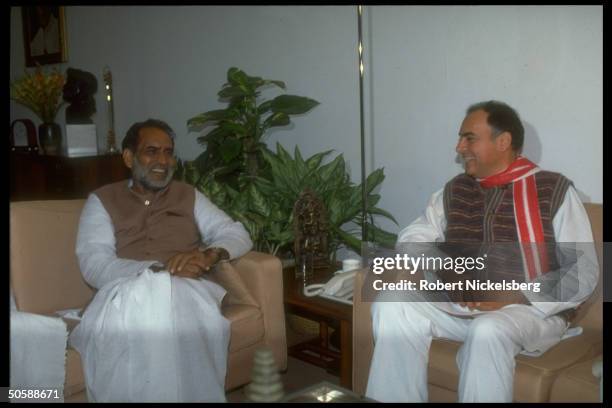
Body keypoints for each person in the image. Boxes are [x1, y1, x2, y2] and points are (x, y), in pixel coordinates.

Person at [365, 101, 599, 402]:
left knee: (488, 329)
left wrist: (516, 294)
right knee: (390, 302)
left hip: (531, 313)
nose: (459, 147)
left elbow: (583, 271)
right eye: (461, 138)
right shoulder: (454, 190)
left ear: (503, 141)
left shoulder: (554, 190)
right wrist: (453, 273)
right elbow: (412, 239)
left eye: (469, 138)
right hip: (461, 308)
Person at [69, 119, 253, 402]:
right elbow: (94, 263)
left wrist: (208, 254)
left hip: (188, 291)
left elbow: (236, 233)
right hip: (123, 292)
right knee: (150, 301)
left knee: (169, 308)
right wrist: (158, 271)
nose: (162, 160)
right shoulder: (102, 200)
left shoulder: (187, 195)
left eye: (168, 152)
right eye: (151, 151)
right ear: (129, 157)